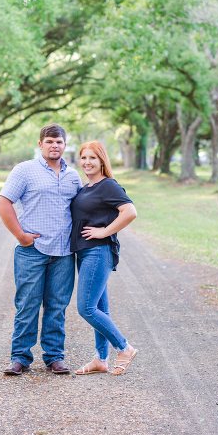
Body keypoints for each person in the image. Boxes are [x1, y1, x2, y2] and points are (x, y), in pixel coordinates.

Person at [0, 124, 82, 376]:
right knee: (27, 305)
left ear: (65, 145)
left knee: (57, 306)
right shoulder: (24, 170)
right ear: (40, 144)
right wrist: (21, 236)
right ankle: (20, 358)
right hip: (32, 251)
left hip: (64, 253)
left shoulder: (73, 176)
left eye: (59, 142)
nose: (54, 145)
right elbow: (3, 203)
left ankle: (54, 357)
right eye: (50, 141)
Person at [70, 141, 138, 376]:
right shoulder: (86, 187)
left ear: (102, 161)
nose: (87, 162)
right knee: (100, 307)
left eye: (93, 158)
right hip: (84, 252)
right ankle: (101, 359)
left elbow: (130, 211)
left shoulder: (108, 185)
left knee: (86, 308)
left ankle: (124, 347)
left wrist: (103, 231)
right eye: (84, 158)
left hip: (98, 252)